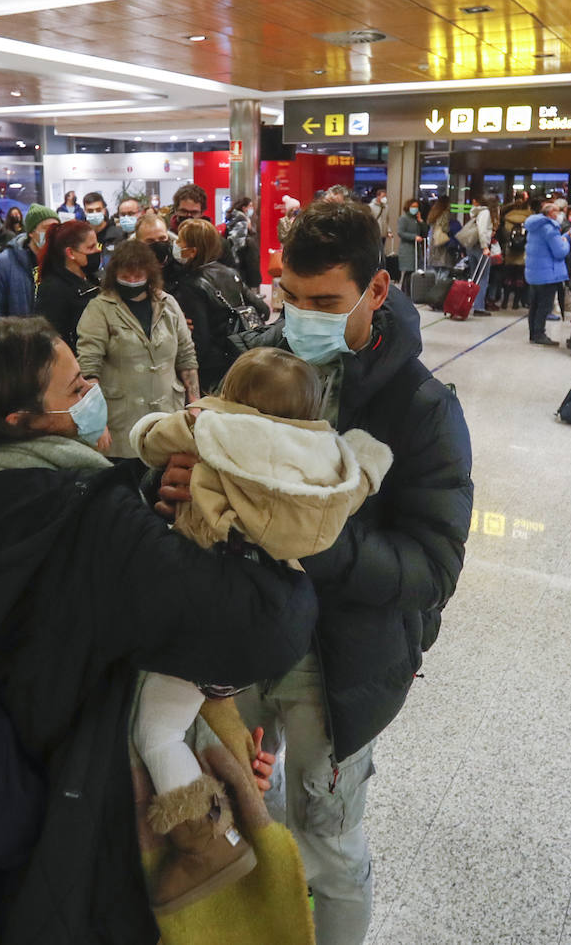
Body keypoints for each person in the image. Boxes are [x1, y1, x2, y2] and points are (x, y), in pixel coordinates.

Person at [0, 316, 318, 944]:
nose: (92, 393)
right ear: (19, 420)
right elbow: (266, 628)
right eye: (74, 388)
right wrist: (261, 537)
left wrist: (146, 500)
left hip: (8, 804)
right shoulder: (88, 517)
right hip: (95, 824)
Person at [163, 199, 472, 945]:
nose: (299, 318)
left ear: (378, 289)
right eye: (289, 297)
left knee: (327, 844)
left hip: (334, 672)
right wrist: (174, 488)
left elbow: (432, 568)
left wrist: (311, 538)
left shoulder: (421, 407)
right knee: (236, 815)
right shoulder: (254, 365)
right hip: (235, 654)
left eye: (324, 302)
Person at [128, 346, 391, 910]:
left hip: (210, 610)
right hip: (281, 621)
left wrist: (178, 421)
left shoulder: (213, 428)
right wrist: (370, 459)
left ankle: (204, 841)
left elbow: (149, 439)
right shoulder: (325, 458)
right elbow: (362, 479)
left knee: (156, 729)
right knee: (219, 709)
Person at [76, 239, 198, 458]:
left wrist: (195, 404)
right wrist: (96, 420)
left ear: (149, 274)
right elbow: (88, 367)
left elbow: (186, 355)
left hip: (167, 416)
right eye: (125, 276)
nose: (132, 281)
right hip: (120, 423)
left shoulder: (168, 304)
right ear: (114, 275)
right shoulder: (100, 308)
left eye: (138, 276)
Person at [170, 217, 266, 395]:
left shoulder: (191, 284)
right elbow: (263, 310)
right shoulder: (230, 273)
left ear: (192, 251)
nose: (174, 245)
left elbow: (200, 340)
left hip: (210, 370)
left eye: (179, 241)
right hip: (237, 357)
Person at [33, 219, 101, 352]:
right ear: (71, 253)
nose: (97, 251)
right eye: (90, 247)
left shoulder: (93, 280)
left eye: (96, 245)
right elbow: (51, 340)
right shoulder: (53, 289)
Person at [0, 204, 58, 320]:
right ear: (32, 232)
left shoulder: (61, 261)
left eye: (56, 228)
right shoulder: (4, 263)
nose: (52, 233)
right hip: (17, 334)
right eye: (46, 228)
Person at [523, 198, 570, 348]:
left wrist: (563, 238)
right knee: (544, 305)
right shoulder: (550, 229)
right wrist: (567, 242)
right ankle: (540, 334)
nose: (560, 215)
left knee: (535, 305)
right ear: (551, 213)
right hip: (548, 273)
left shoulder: (534, 227)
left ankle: (533, 334)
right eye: (558, 211)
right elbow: (559, 252)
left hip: (534, 272)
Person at [493, 192, 532, 311]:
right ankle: (516, 302)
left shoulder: (507, 218)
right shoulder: (530, 218)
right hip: (524, 253)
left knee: (508, 277)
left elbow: (503, 235)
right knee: (520, 278)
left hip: (509, 251)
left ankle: (505, 301)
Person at [462, 195, 498, 317]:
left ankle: (470, 302)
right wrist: (485, 247)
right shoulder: (486, 213)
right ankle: (479, 307)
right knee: (483, 277)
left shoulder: (476, 212)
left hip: (472, 246)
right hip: (480, 247)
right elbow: (482, 231)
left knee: (474, 276)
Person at [225, 197, 262, 289]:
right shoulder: (241, 219)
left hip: (235, 257)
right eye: (250, 206)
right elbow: (238, 242)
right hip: (240, 259)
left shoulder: (235, 217)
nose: (252, 208)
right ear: (244, 207)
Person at [83, 190, 124, 265]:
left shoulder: (119, 234)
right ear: (85, 212)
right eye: (90, 211)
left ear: (104, 210)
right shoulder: (81, 235)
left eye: (98, 210)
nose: (95, 213)